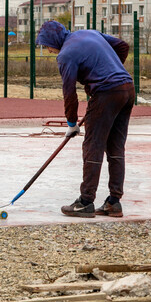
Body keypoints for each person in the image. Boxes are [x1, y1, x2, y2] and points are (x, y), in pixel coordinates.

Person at [35, 20, 135, 218]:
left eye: (47, 45)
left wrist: (71, 123)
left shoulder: (65, 55)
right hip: (127, 88)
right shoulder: (90, 33)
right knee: (116, 146)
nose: (47, 50)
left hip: (107, 93)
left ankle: (85, 202)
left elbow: (69, 93)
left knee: (93, 146)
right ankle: (114, 203)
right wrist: (112, 70)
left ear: (54, 40)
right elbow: (123, 46)